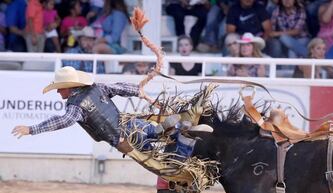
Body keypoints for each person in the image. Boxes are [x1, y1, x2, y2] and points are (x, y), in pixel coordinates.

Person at [11, 66, 201, 159]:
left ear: (69, 87)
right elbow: (117, 88)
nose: (59, 91)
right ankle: (177, 130)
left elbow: (64, 121)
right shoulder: (96, 88)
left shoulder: (75, 105)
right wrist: (138, 92)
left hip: (123, 140)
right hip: (130, 124)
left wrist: (32, 129)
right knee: (153, 132)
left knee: (157, 158)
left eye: (60, 88)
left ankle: (181, 143)